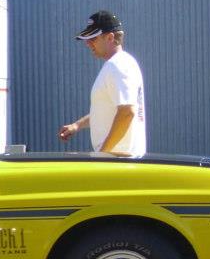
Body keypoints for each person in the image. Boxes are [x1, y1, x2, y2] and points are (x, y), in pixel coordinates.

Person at [58, 10, 145, 157]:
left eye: (93, 39)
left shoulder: (118, 66)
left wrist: (102, 155)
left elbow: (127, 112)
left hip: (118, 162)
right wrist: (77, 125)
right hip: (119, 160)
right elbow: (108, 111)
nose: (88, 43)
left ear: (110, 37)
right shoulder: (120, 64)